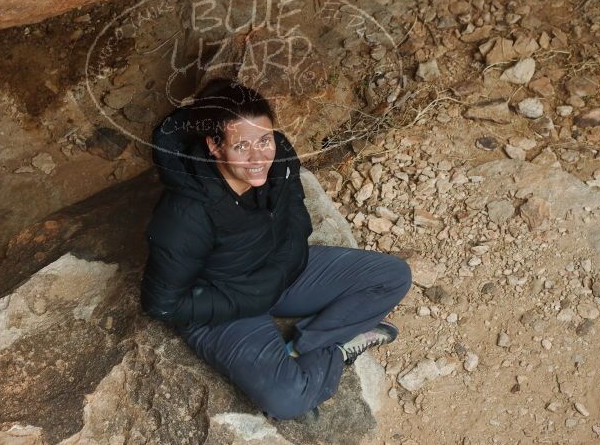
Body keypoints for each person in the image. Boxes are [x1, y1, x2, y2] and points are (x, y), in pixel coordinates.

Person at [140, 78, 412, 421]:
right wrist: (251, 297)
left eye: (264, 140)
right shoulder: (186, 212)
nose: (258, 158)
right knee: (287, 400)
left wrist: (280, 271)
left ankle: (304, 346)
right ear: (215, 145)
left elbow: (296, 220)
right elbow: (162, 304)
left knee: (393, 276)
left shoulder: (279, 157)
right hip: (223, 304)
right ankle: (336, 350)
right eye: (241, 147)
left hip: (282, 274)